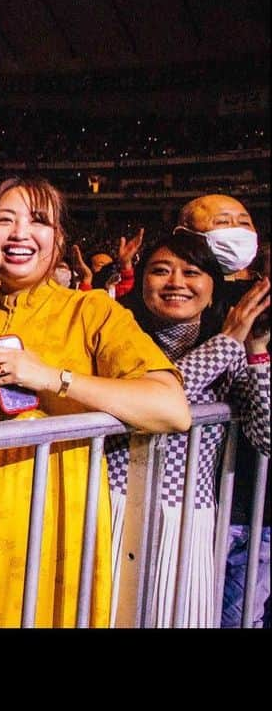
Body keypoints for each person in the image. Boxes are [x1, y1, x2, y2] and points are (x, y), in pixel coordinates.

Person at [0, 176, 190, 627]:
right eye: (5, 220)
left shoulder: (92, 312)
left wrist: (54, 378)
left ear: (60, 239)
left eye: (39, 221)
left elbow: (171, 408)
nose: (20, 233)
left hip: (59, 529)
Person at [110, 230, 269, 626]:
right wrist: (227, 341)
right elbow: (150, 399)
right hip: (112, 508)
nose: (176, 282)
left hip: (187, 517)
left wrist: (257, 351)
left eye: (191, 272)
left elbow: (266, 436)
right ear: (141, 281)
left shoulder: (230, 352)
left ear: (213, 290)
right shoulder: (117, 336)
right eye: (160, 270)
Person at [176, 192, 270, 628]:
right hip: (191, 510)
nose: (236, 228)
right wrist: (228, 340)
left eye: (244, 221)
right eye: (222, 221)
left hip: (254, 514)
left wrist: (256, 354)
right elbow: (164, 394)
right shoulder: (178, 306)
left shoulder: (261, 305)